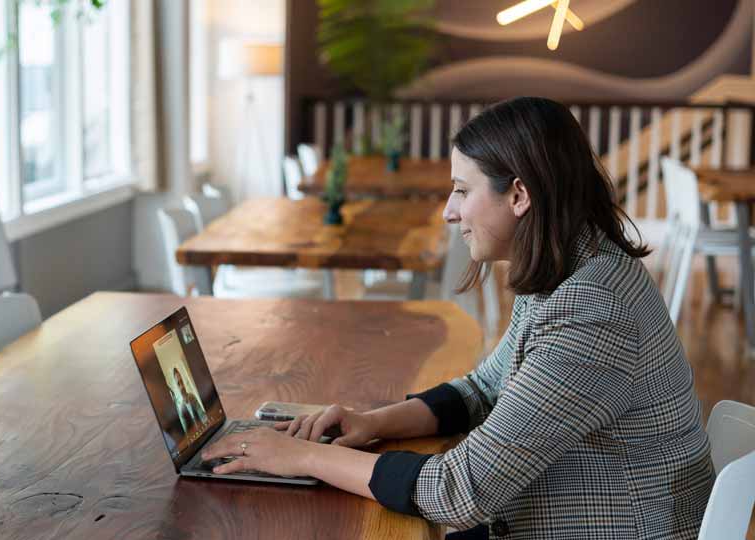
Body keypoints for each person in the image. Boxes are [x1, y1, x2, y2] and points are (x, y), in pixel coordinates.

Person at [202, 97, 714, 539]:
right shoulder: (570, 266)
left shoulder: (594, 308)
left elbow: (459, 491)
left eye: (463, 190)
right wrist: (371, 423)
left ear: (519, 195)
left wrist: (302, 459)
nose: (449, 211)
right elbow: (483, 389)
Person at [172, 366, 207, 434]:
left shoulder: (192, 397)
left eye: (181, 381)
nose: (182, 386)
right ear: (176, 387)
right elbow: (186, 432)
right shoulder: (181, 410)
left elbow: (202, 415)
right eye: (178, 384)